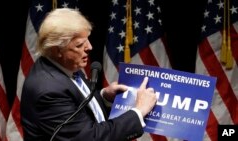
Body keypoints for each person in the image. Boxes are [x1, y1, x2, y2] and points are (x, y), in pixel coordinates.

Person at [20, 8, 157, 141]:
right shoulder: (48, 90)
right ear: (57, 50)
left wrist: (104, 97)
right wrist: (139, 110)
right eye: (79, 45)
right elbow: (89, 137)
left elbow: (78, 104)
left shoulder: (63, 64)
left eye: (87, 40)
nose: (89, 47)